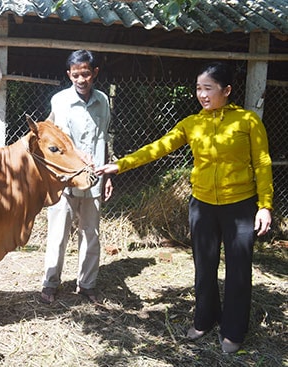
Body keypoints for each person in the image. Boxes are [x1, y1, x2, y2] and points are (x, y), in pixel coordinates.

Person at [95, 62, 273, 353]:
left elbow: (263, 164)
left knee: (238, 270)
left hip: (240, 206)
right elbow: (159, 147)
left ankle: (233, 329)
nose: (202, 95)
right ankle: (204, 319)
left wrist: (264, 206)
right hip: (202, 205)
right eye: (198, 88)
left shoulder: (247, 121)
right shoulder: (192, 123)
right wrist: (120, 165)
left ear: (226, 90)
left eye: (208, 88)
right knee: (204, 267)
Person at [41, 49, 113, 304]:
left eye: (85, 74)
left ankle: (87, 284)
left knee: (91, 233)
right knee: (58, 232)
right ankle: (50, 284)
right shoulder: (59, 101)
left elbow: (104, 137)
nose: (81, 79)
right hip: (65, 178)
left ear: (94, 73)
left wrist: (108, 173)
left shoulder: (103, 100)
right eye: (75, 75)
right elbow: (56, 141)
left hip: (94, 177)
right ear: (68, 75)